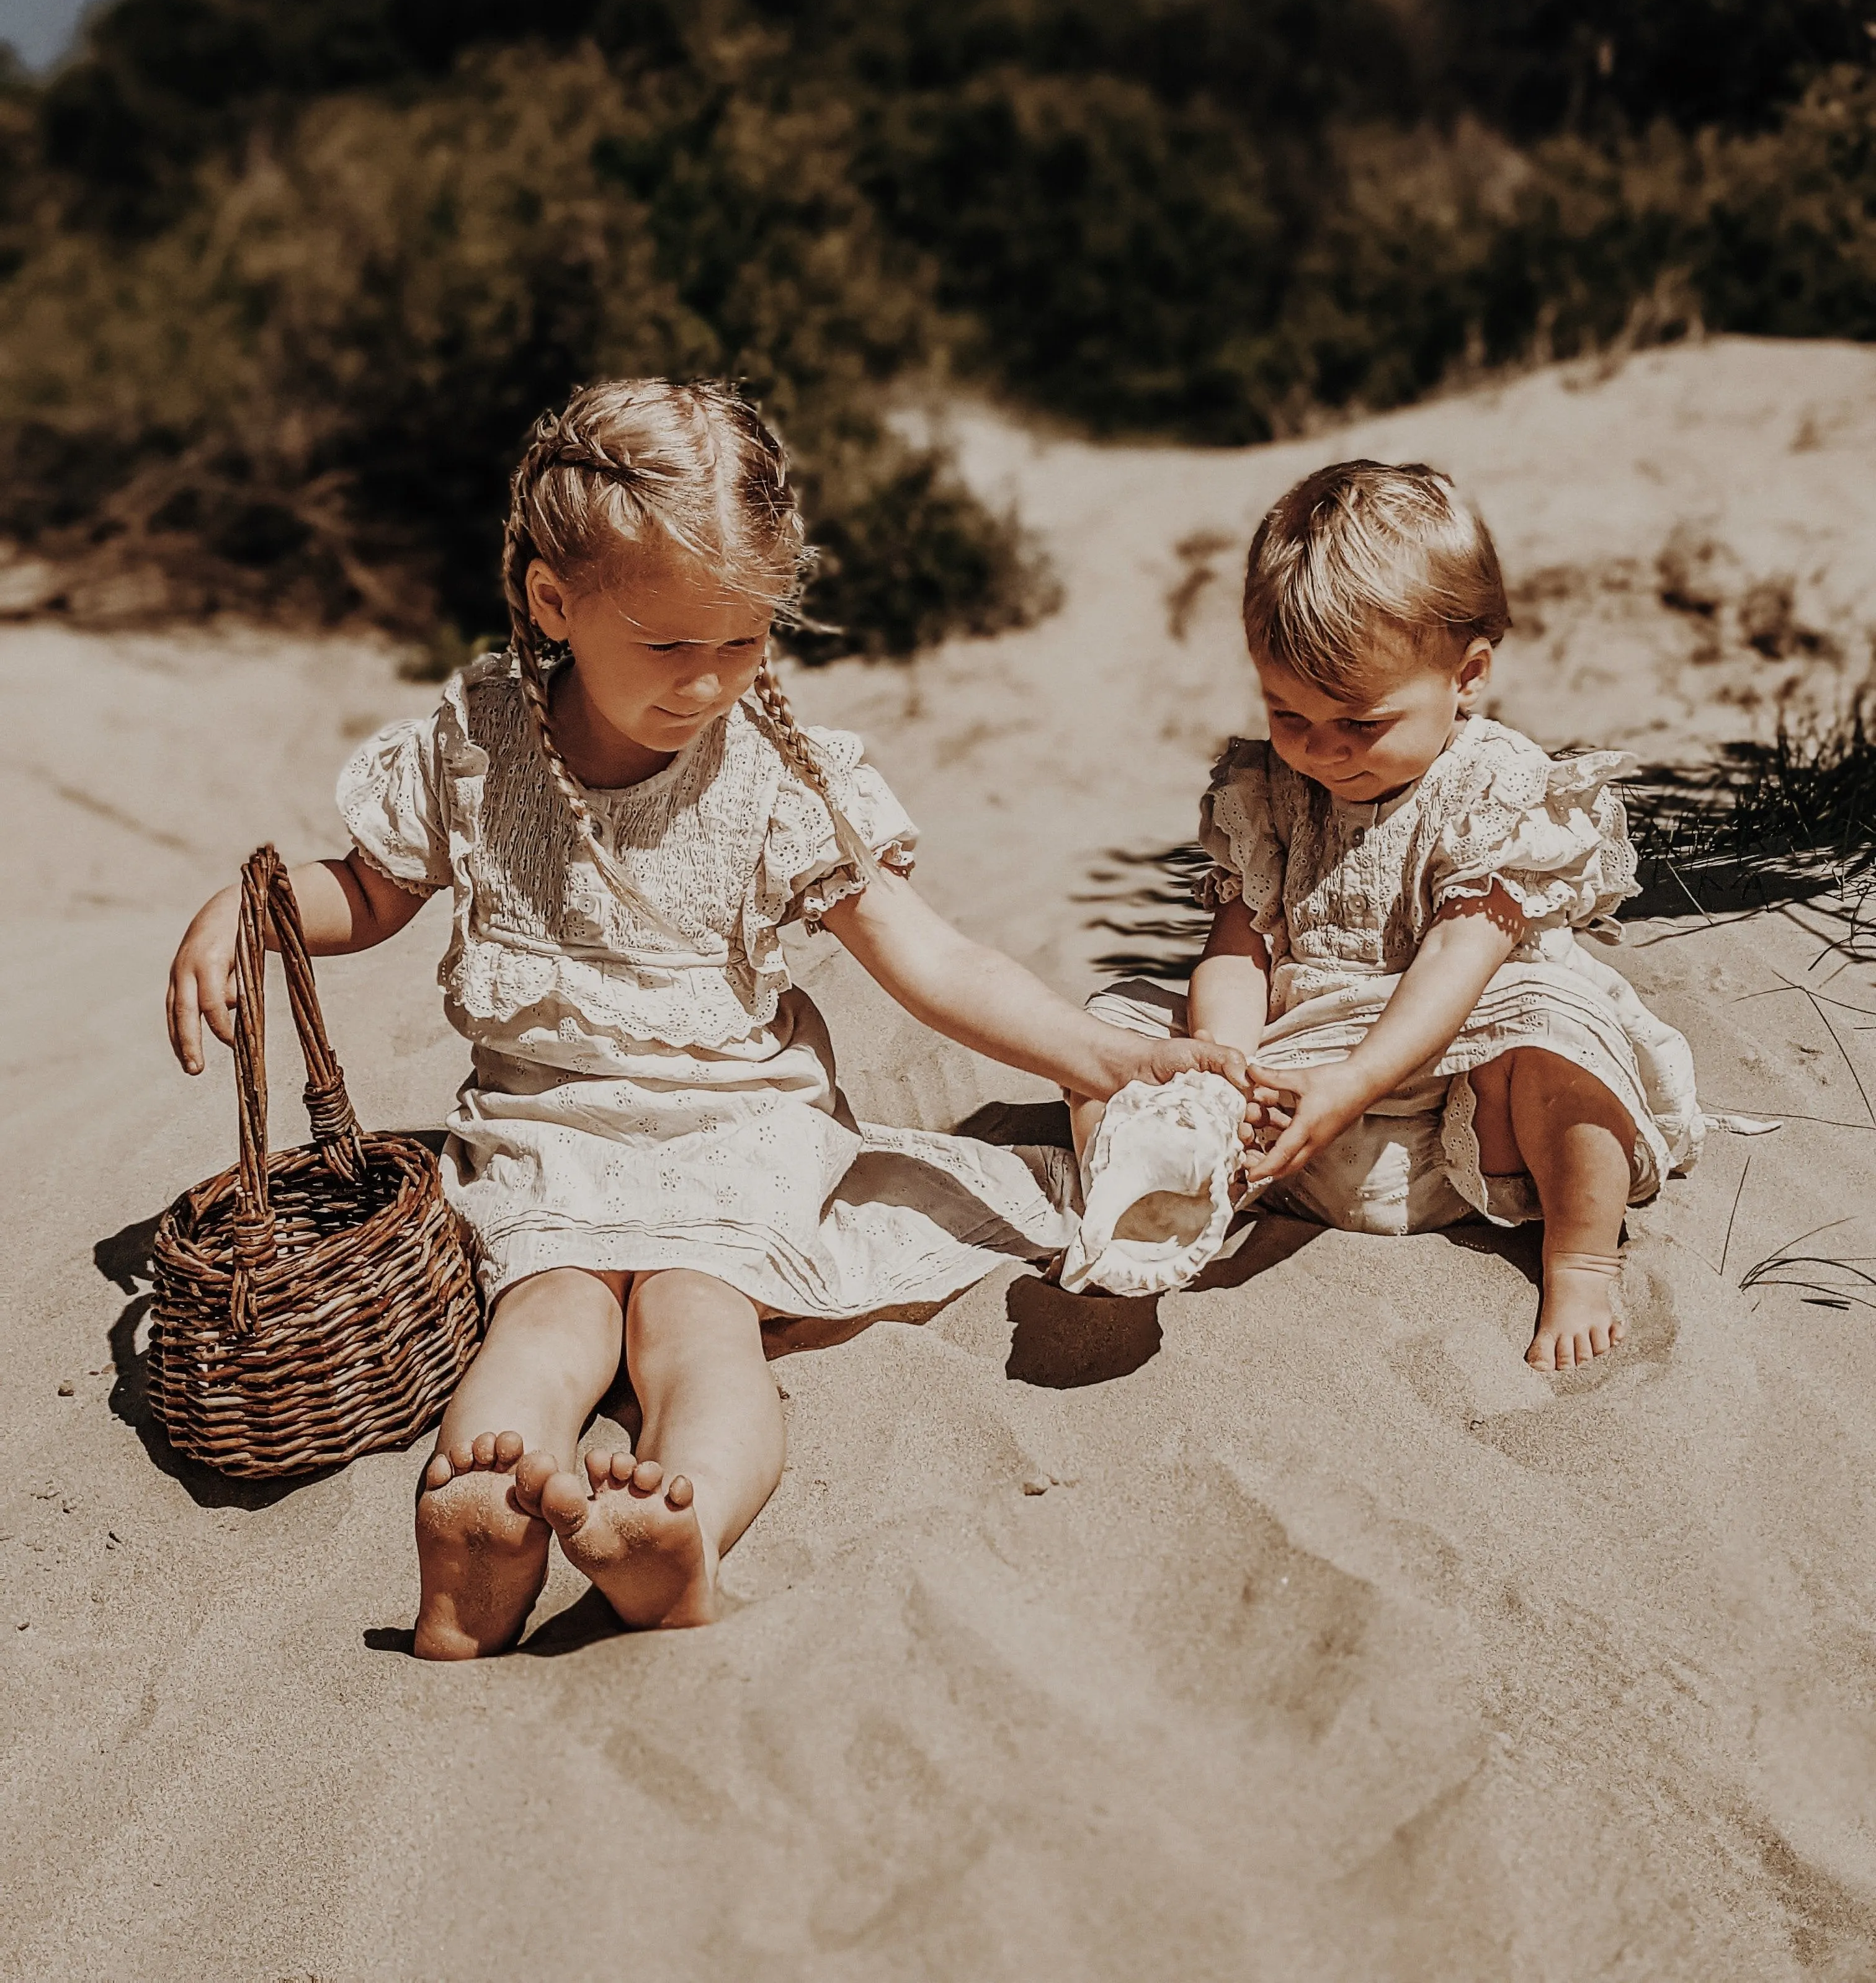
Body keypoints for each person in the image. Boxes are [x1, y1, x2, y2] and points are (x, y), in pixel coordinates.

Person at [166, 379, 1244, 1654]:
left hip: (736, 1128)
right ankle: (481, 1518)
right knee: (548, 1314)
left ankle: (684, 1527)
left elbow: (925, 955)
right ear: (552, 604)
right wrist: (259, 908)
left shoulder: (778, 778)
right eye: (672, 648)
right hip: (546, 1128)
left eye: (744, 645)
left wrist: (1108, 1055)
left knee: (697, 1319)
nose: (710, 683)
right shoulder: (479, 744)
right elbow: (374, 889)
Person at [1070, 460, 1702, 1371]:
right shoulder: (1268, 787)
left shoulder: (1494, 789)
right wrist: (1227, 1074)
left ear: (1468, 674)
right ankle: (1161, 1203)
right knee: (1112, 1030)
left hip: (1459, 1104)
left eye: (1360, 724)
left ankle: (1580, 1256)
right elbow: (1239, 949)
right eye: (1288, 713)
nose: (1323, 752)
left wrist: (1360, 1080)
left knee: (1560, 1031)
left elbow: (1460, 955)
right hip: (1297, 1099)